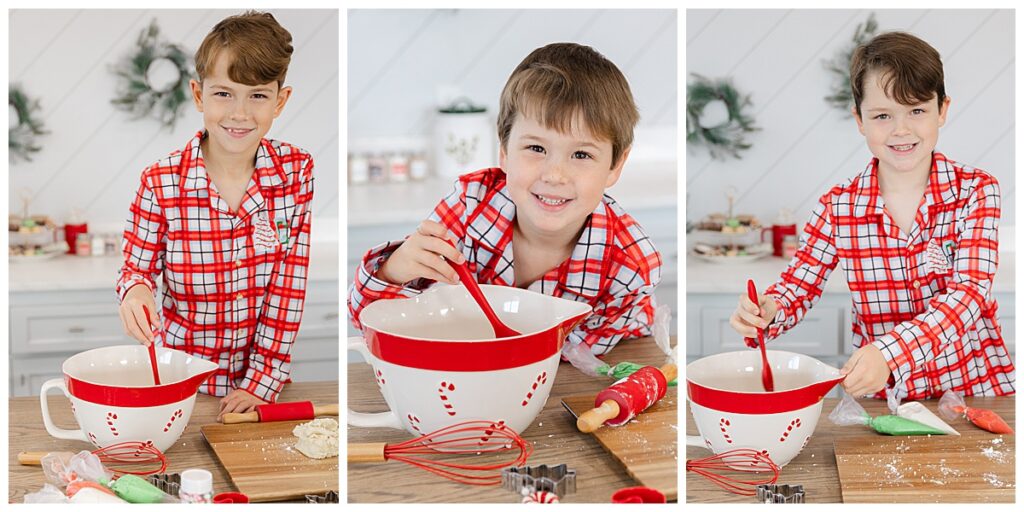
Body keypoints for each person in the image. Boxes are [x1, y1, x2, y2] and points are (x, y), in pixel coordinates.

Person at [730, 32, 1014, 400]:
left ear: (942, 110)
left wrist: (889, 353)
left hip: (974, 391)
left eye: (917, 110)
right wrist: (769, 310)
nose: (901, 129)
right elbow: (797, 287)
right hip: (886, 398)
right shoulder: (838, 207)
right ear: (859, 119)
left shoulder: (976, 191)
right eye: (882, 115)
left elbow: (968, 294)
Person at [349, 42, 662, 357]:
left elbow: (580, 363)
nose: (555, 175)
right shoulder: (470, 205)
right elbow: (363, 321)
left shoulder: (630, 265)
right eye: (536, 149)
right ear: (504, 151)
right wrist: (393, 272)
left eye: (581, 154)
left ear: (615, 166)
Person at [117, 11, 314, 421]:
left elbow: (288, 288)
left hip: (258, 388)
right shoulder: (160, 181)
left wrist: (260, 383)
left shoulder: (296, 173)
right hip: (179, 383)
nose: (239, 113)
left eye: (257, 95)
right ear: (198, 94)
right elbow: (135, 271)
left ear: (280, 100)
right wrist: (136, 292)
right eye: (224, 93)